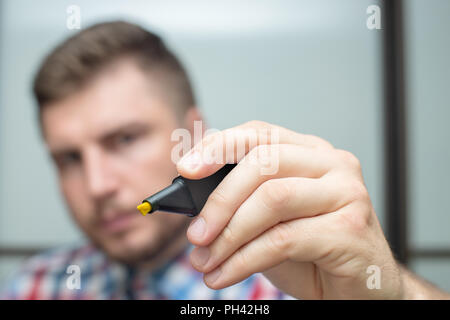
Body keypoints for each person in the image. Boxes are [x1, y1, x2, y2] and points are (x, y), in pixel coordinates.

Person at [1, 20, 448, 300]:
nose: (97, 185)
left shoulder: (299, 281)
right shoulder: (35, 287)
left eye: (123, 139)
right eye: (68, 159)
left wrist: (394, 295)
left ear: (194, 136)